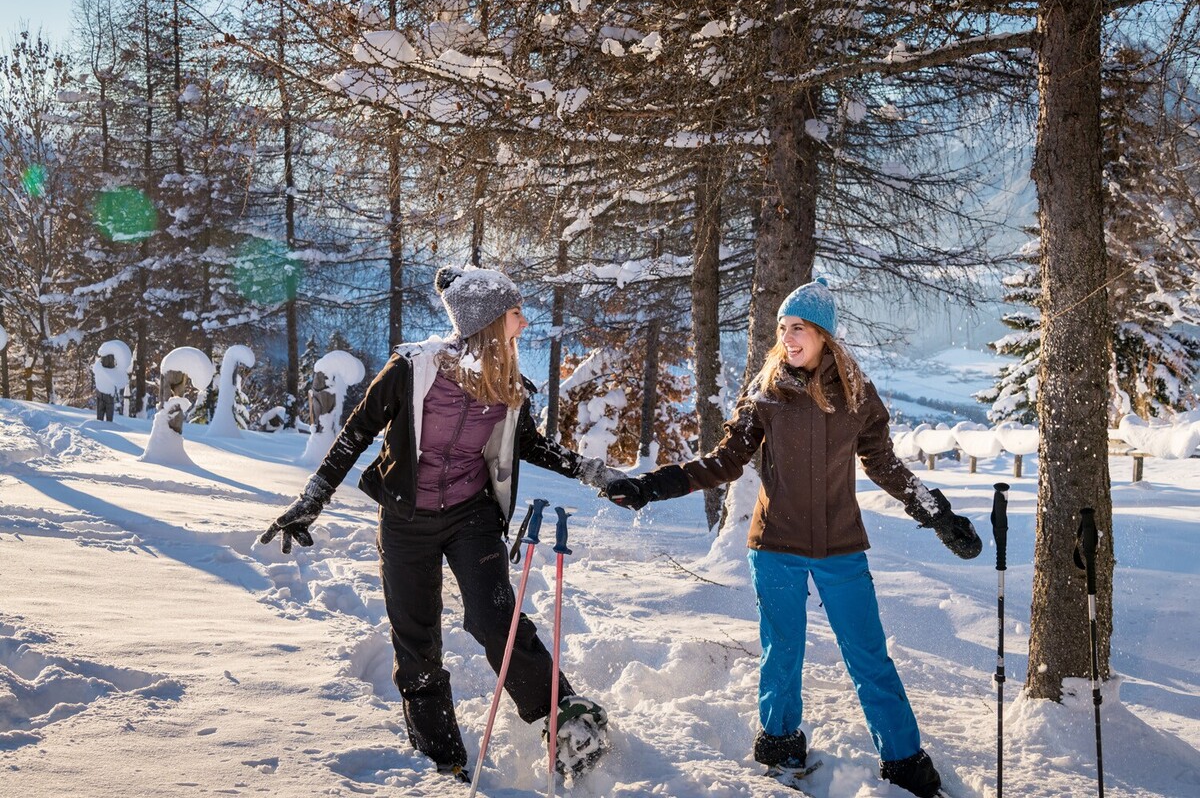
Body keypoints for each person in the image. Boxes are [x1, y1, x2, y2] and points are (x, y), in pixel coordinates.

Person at [603, 279, 981, 798]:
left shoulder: (856, 394)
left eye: (798, 327)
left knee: (869, 656)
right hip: (775, 545)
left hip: (841, 546)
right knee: (781, 652)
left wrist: (937, 513)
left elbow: (883, 464)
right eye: (783, 328)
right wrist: (653, 485)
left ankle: (904, 761)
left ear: (824, 334)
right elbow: (725, 461)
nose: (787, 337)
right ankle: (780, 745)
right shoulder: (767, 391)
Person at [260, 265, 623, 782]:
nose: (523, 322)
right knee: (416, 638)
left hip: (471, 516)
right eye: (515, 312)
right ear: (487, 321)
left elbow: (530, 445)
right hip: (405, 518)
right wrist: (313, 497)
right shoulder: (412, 369)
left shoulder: (510, 386)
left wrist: (593, 473)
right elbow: (357, 430)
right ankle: (441, 757)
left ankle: (566, 719)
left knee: (496, 617)